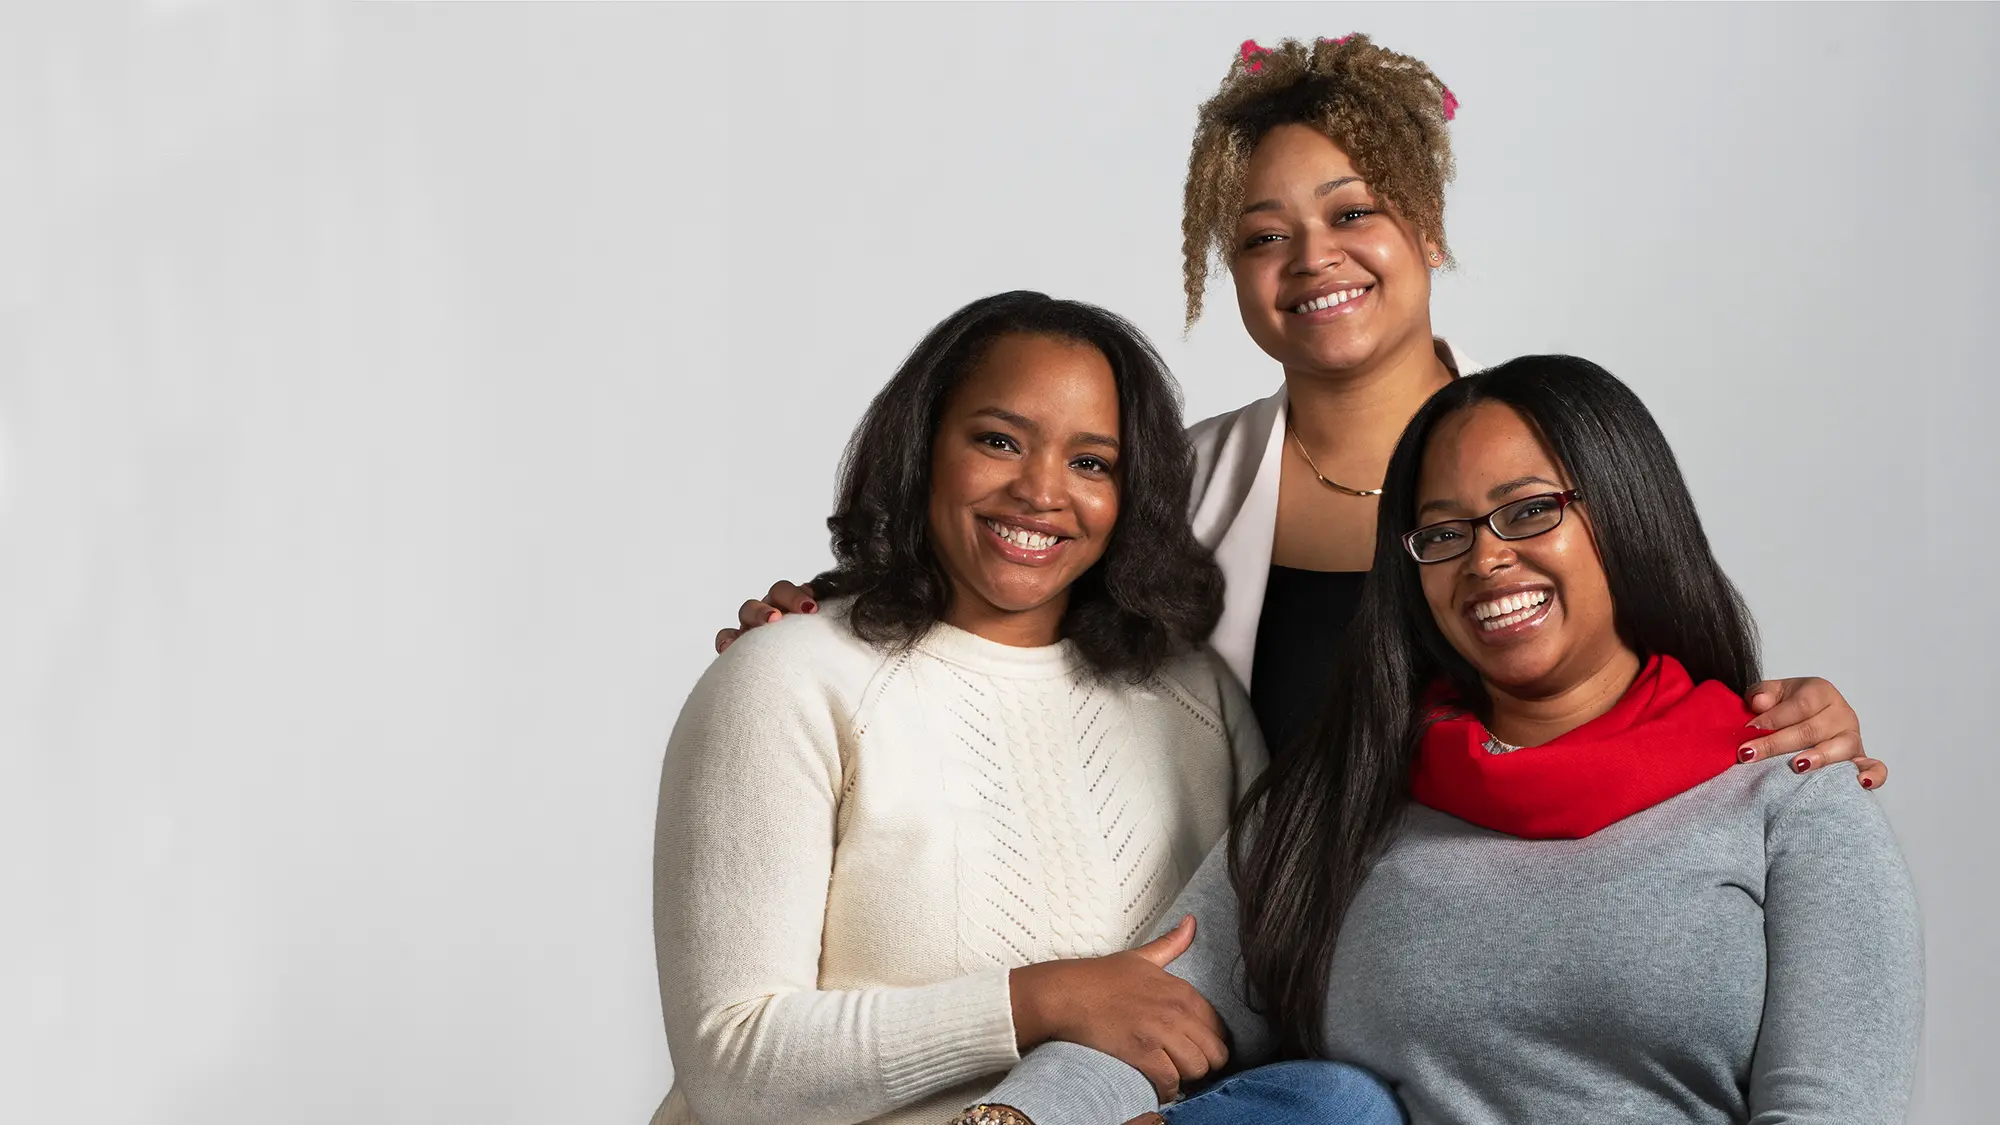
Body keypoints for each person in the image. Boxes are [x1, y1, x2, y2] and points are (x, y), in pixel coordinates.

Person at [712, 33, 1884, 784]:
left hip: (1515, 971)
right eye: (1262, 238)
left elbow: (1675, 683)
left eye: (1350, 214)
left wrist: (1797, 718)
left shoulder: (1551, 455)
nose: (1310, 259)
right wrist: (833, 624)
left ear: (1424, 226)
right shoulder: (1168, 480)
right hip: (1245, 985)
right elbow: (1000, 596)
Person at [959, 356, 1923, 1125]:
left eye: (1532, 509)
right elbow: (1145, 1012)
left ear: (1627, 514)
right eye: (1443, 532)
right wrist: (1008, 1119)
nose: (1488, 556)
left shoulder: (1793, 794)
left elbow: (1832, 1107)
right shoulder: (1341, 796)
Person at [652, 292, 1278, 1125]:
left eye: (1092, 462)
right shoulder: (790, 679)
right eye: (998, 441)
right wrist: (1040, 1000)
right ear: (923, 449)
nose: (1040, 490)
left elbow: (1261, 993)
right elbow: (732, 1061)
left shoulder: (1195, 698)